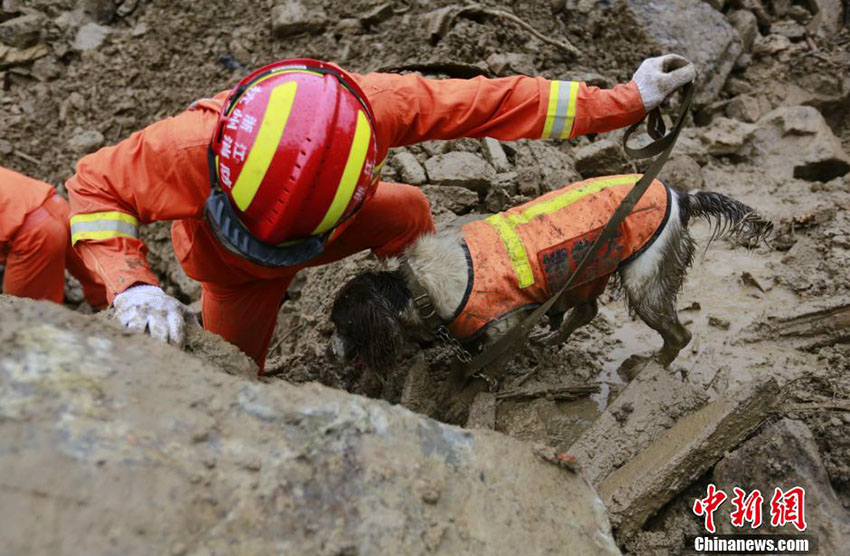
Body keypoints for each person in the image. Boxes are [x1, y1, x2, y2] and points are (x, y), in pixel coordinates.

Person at [67, 55, 695, 373]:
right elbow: (93, 189)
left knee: (410, 210)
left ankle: (423, 312)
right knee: (230, 373)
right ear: (220, 173)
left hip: (338, 226)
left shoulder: (377, 108)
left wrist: (626, 99)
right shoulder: (182, 148)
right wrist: (132, 286)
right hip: (231, 272)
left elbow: (495, 102)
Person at [0, 166, 107, 308]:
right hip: (56, 206)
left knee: (23, 315)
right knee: (105, 281)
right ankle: (123, 315)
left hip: (33, 234)